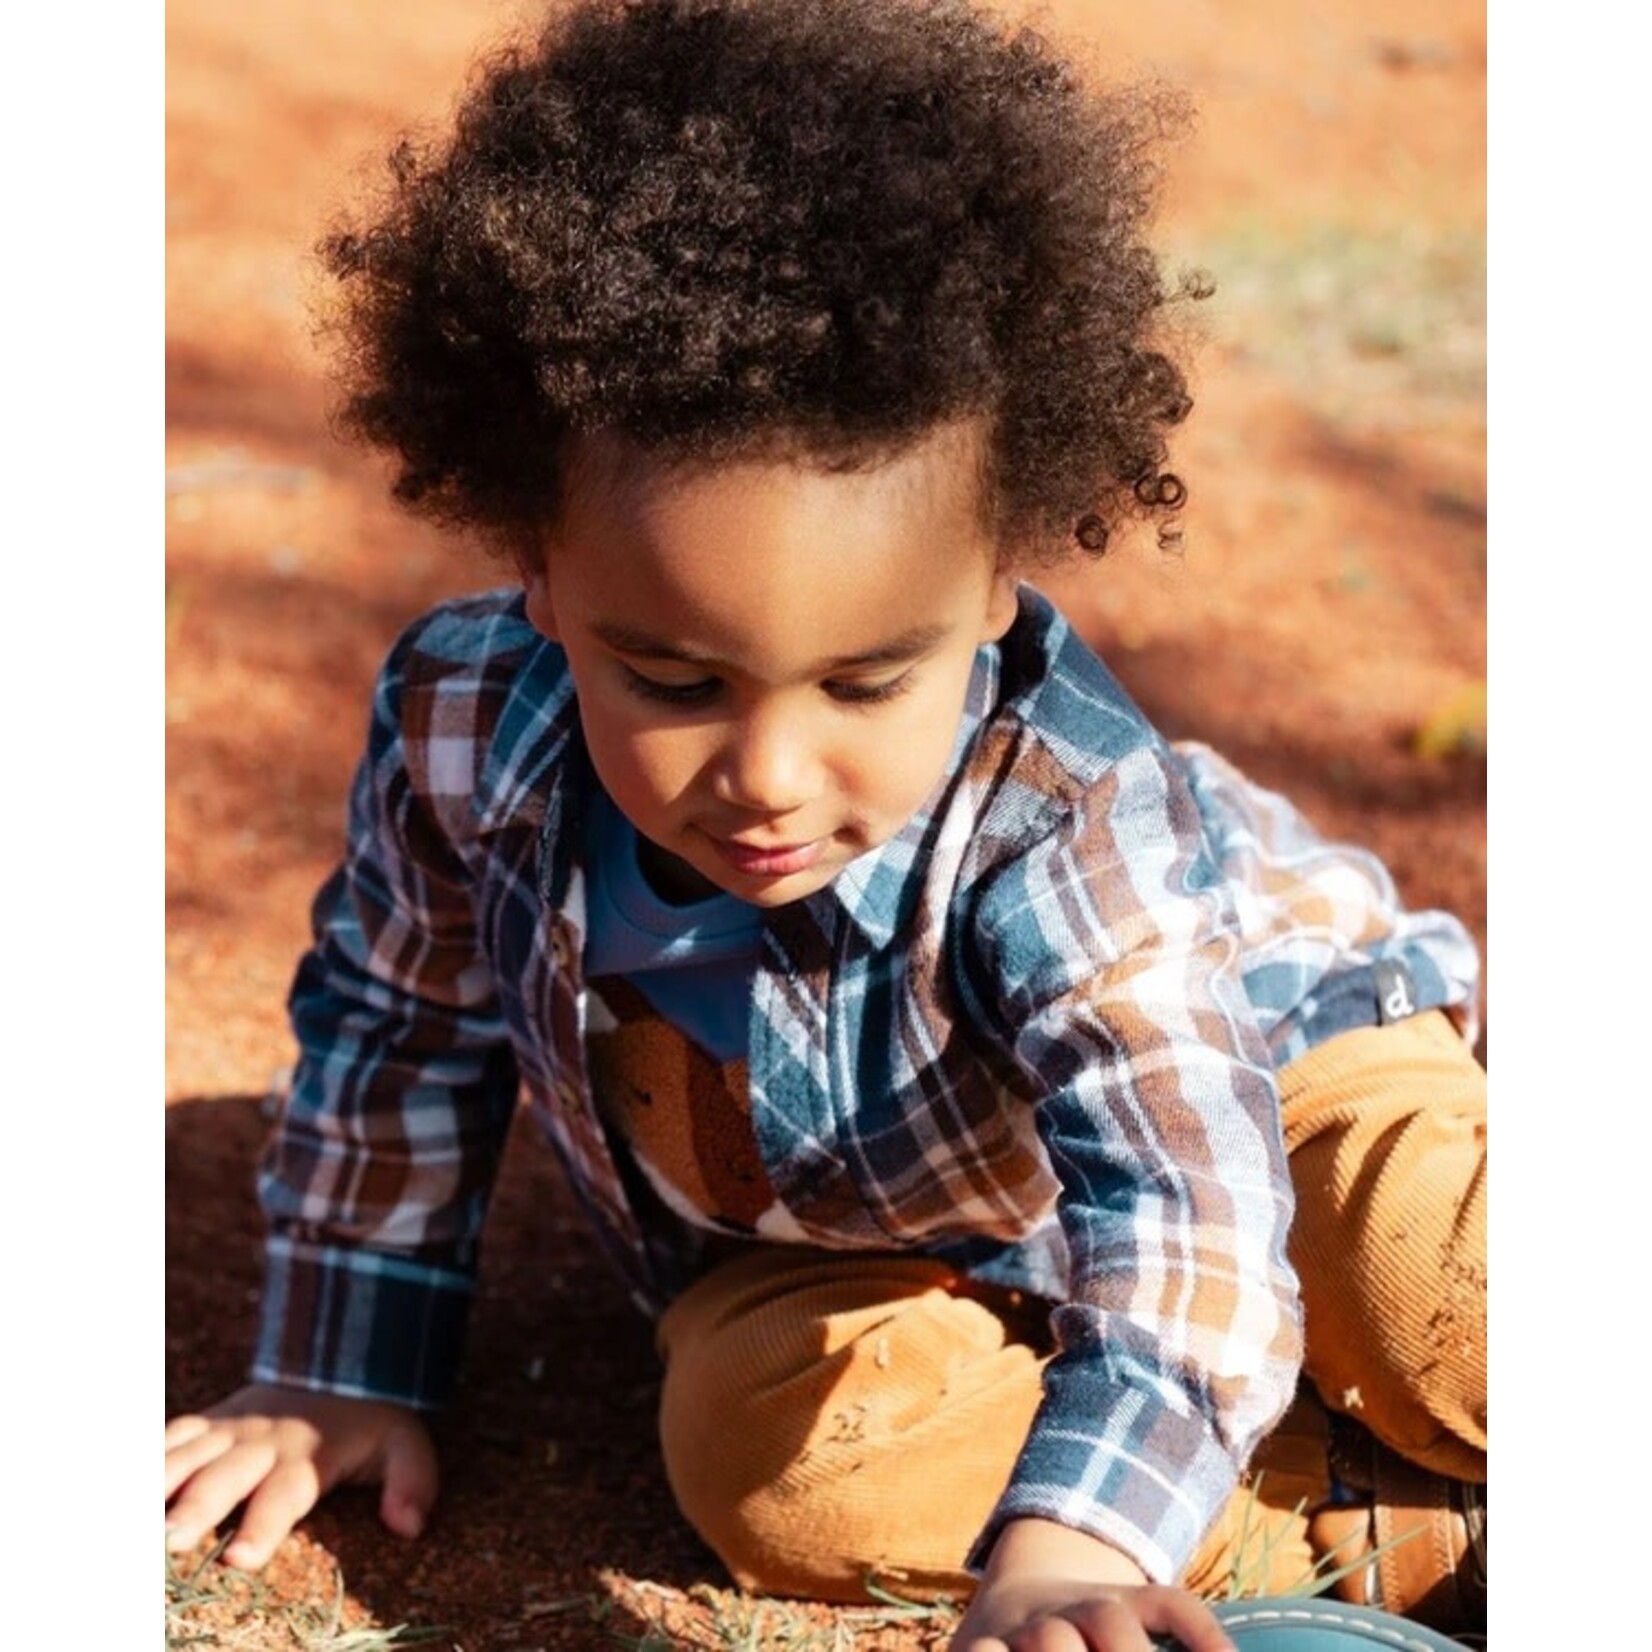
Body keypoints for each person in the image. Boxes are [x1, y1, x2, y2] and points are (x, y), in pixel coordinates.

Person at [162, 3, 1487, 1647]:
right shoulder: (459, 722)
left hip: (1272, 1084)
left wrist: (1073, 1528)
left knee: (1439, 1275)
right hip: (860, 1242)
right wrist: (334, 1365)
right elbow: (398, 1025)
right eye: (670, 678)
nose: (770, 773)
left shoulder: (1059, 811)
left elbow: (1180, 1206)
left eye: (868, 682)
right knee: (780, 1470)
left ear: (997, 586)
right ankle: (1369, 1530)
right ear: (540, 572)